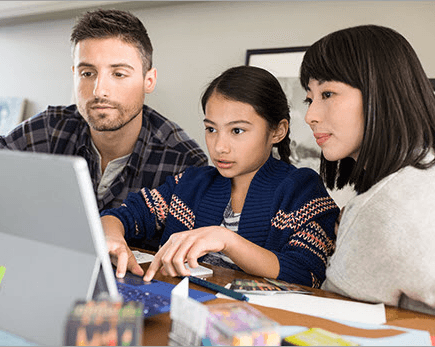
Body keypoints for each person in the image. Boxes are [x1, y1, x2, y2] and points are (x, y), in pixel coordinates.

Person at [0, 9, 208, 250]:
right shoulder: (50, 128)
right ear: (75, 76)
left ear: (149, 80)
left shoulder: (184, 161)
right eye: (87, 73)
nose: (99, 90)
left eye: (119, 73)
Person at [300, 24, 435, 323]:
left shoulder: (385, 202)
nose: (310, 115)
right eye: (310, 98)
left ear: (379, 93)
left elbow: (330, 323)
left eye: (327, 94)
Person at [101, 65, 339, 286]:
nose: (219, 146)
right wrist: (111, 235)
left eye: (237, 130)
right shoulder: (191, 183)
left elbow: (307, 273)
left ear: (278, 131)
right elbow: (124, 215)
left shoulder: (302, 190)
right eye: (211, 129)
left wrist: (227, 240)